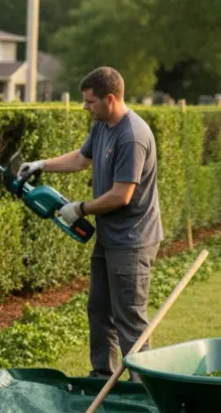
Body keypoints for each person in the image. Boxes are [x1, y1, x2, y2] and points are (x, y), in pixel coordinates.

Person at [18, 66, 163, 379]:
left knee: (130, 318)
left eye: (90, 102)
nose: (85, 107)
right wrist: (42, 164)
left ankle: (143, 389)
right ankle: (102, 375)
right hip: (110, 236)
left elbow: (122, 195)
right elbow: (82, 159)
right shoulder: (103, 125)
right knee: (99, 309)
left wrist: (80, 209)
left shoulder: (132, 136)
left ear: (110, 99)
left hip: (133, 240)